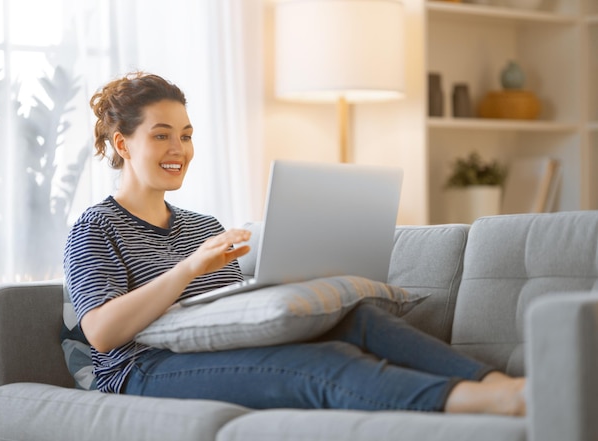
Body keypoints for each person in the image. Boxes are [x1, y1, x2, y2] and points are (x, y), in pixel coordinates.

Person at [64, 71, 526, 415]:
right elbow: (101, 333)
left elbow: (227, 318)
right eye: (161, 135)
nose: (179, 150)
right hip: (142, 370)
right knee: (323, 361)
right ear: (122, 144)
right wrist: (188, 270)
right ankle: (480, 402)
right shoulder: (96, 226)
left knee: (360, 319)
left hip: (213, 350)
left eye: (185, 136)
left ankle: (506, 384)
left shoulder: (203, 226)